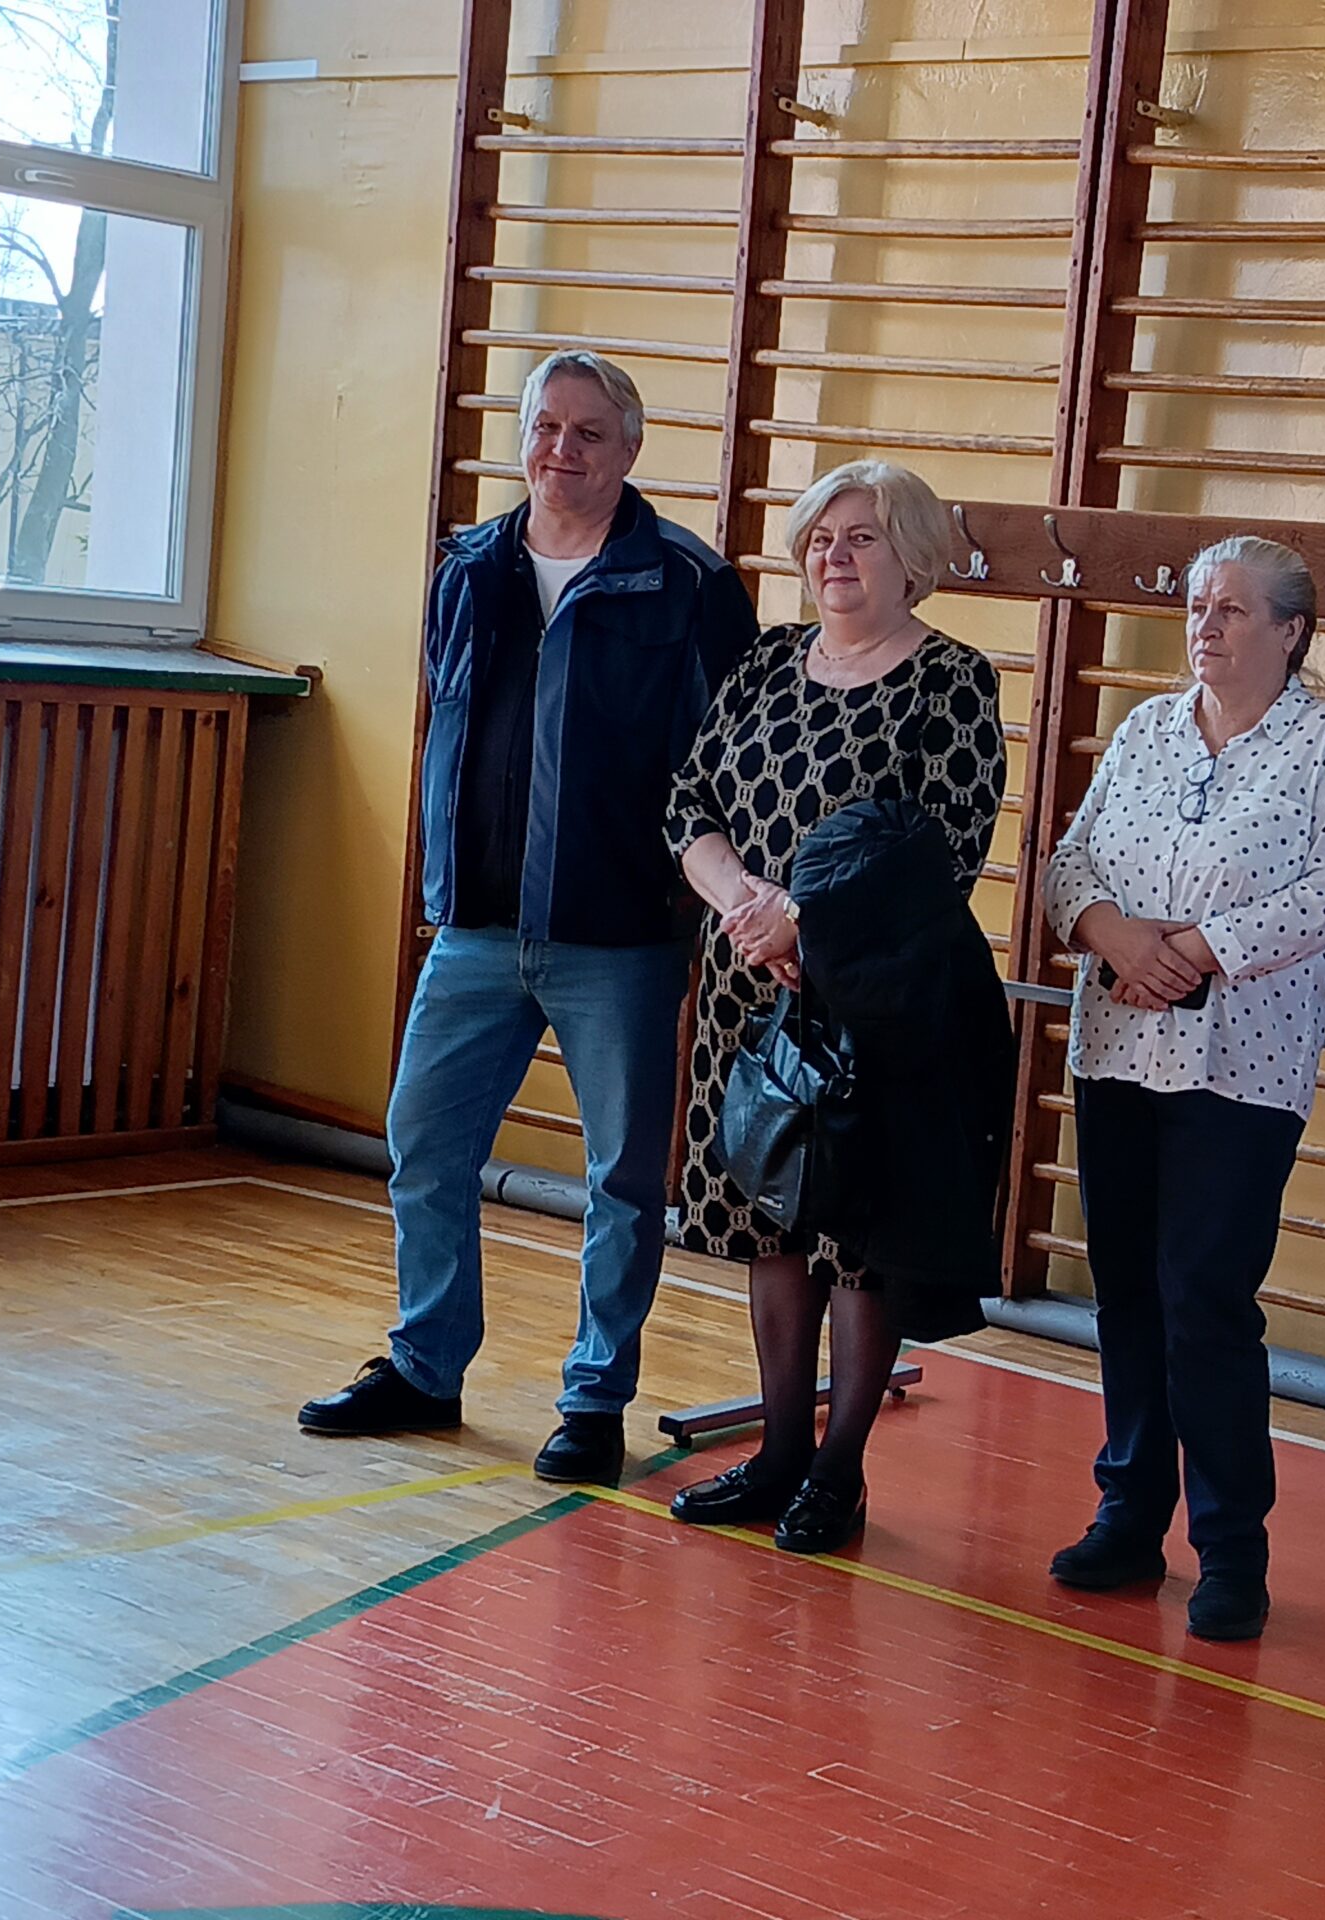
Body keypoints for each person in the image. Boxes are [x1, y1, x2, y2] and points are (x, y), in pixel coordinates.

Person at [300, 351, 757, 1485]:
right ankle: (426, 1366)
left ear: (631, 450)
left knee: (621, 1181)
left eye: (589, 433)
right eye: (546, 428)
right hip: (475, 926)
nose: (563, 450)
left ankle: (594, 1399)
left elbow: (729, 763)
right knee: (423, 1146)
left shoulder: (689, 584)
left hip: (621, 936)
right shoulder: (468, 567)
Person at [1038, 535, 1325, 1641]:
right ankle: (1128, 1515)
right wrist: (1114, 938)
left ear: (1290, 631)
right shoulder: (1145, 728)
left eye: (1231, 610)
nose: (1206, 626)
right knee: (1127, 1289)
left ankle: (1232, 1550)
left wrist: (1192, 950)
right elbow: (1070, 864)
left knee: (1206, 1297)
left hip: (1242, 1063)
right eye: (1196, 606)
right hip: (1118, 1047)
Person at [663, 460, 1006, 1555]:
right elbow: (688, 802)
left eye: (861, 536)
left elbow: (947, 849)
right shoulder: (767, 661)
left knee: (858, 1236)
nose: (835, 556)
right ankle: (778, 1454)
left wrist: (803, 926)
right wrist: (746, 904)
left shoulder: (951, 681)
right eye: (820, 537)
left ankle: (840, 1471)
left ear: (913, 557)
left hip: (871, 1000)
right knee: (768, 1219)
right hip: (745, 987)